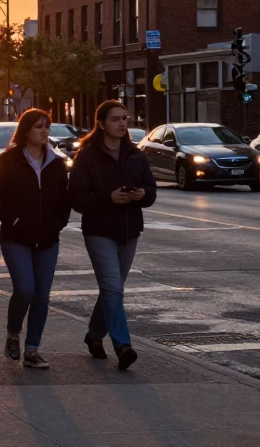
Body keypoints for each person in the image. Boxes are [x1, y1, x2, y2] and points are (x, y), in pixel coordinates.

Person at [68, 100, 156, 370]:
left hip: (129, 231)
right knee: (112, 289)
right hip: (99, 231)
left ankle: (95, 336)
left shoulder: (135, 155)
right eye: (115, 119)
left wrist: (142, 195)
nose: (121, 124)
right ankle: (123, 345)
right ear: (102, 123)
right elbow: (76, 198)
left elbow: (151, 190)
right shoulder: (87, 156)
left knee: (112, 291)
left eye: (124, 119)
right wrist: (108, 199)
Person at [0, 109, 70, 369]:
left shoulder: (56, 163)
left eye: (46, 126)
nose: (44, 131)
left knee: (42, 295)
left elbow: (64, 201)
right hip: (16, 237)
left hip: (47, 239)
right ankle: (13, 333)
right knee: (25, 289)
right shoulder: (9, 160)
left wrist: (58, 223)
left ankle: (32, 350)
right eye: (38, 126)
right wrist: (14, 220)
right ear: (26, 131)